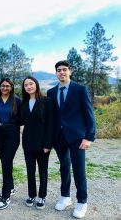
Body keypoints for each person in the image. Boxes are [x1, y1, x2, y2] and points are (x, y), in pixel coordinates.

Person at [47, 60, 96, 218]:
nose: (61, 72)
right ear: (56, 73)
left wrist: (89, 137)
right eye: (59, 70)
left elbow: (89, 114)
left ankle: (82, 202)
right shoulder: (51, 92)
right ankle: (65, 197)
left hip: (77, 137)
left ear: (70, 71)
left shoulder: (80, 90)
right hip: (59, 137)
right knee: (64, 167)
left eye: (64, 69)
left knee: (79, 169)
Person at [20, 76, 54, 210]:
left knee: (43, 171)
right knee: (30, 170)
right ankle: (32, 194)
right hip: (27, 143)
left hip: (42, 144)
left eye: (31, 84)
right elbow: (22, 121)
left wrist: (48, 144)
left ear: (36, 84)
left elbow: (50, 124)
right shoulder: (24, 102)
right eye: (26, 85)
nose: (29, 87)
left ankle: (42, 196)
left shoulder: (47, 101)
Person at [0, 78, 22, 210]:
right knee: (6, 162)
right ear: (0, 87)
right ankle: (10, 187)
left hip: (12, 133)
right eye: (2, 86)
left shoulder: (17, 100)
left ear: (11, 87)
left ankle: (5, 195)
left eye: (7, 86)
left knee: (6, 161)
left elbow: (22, 118)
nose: (5, 88)